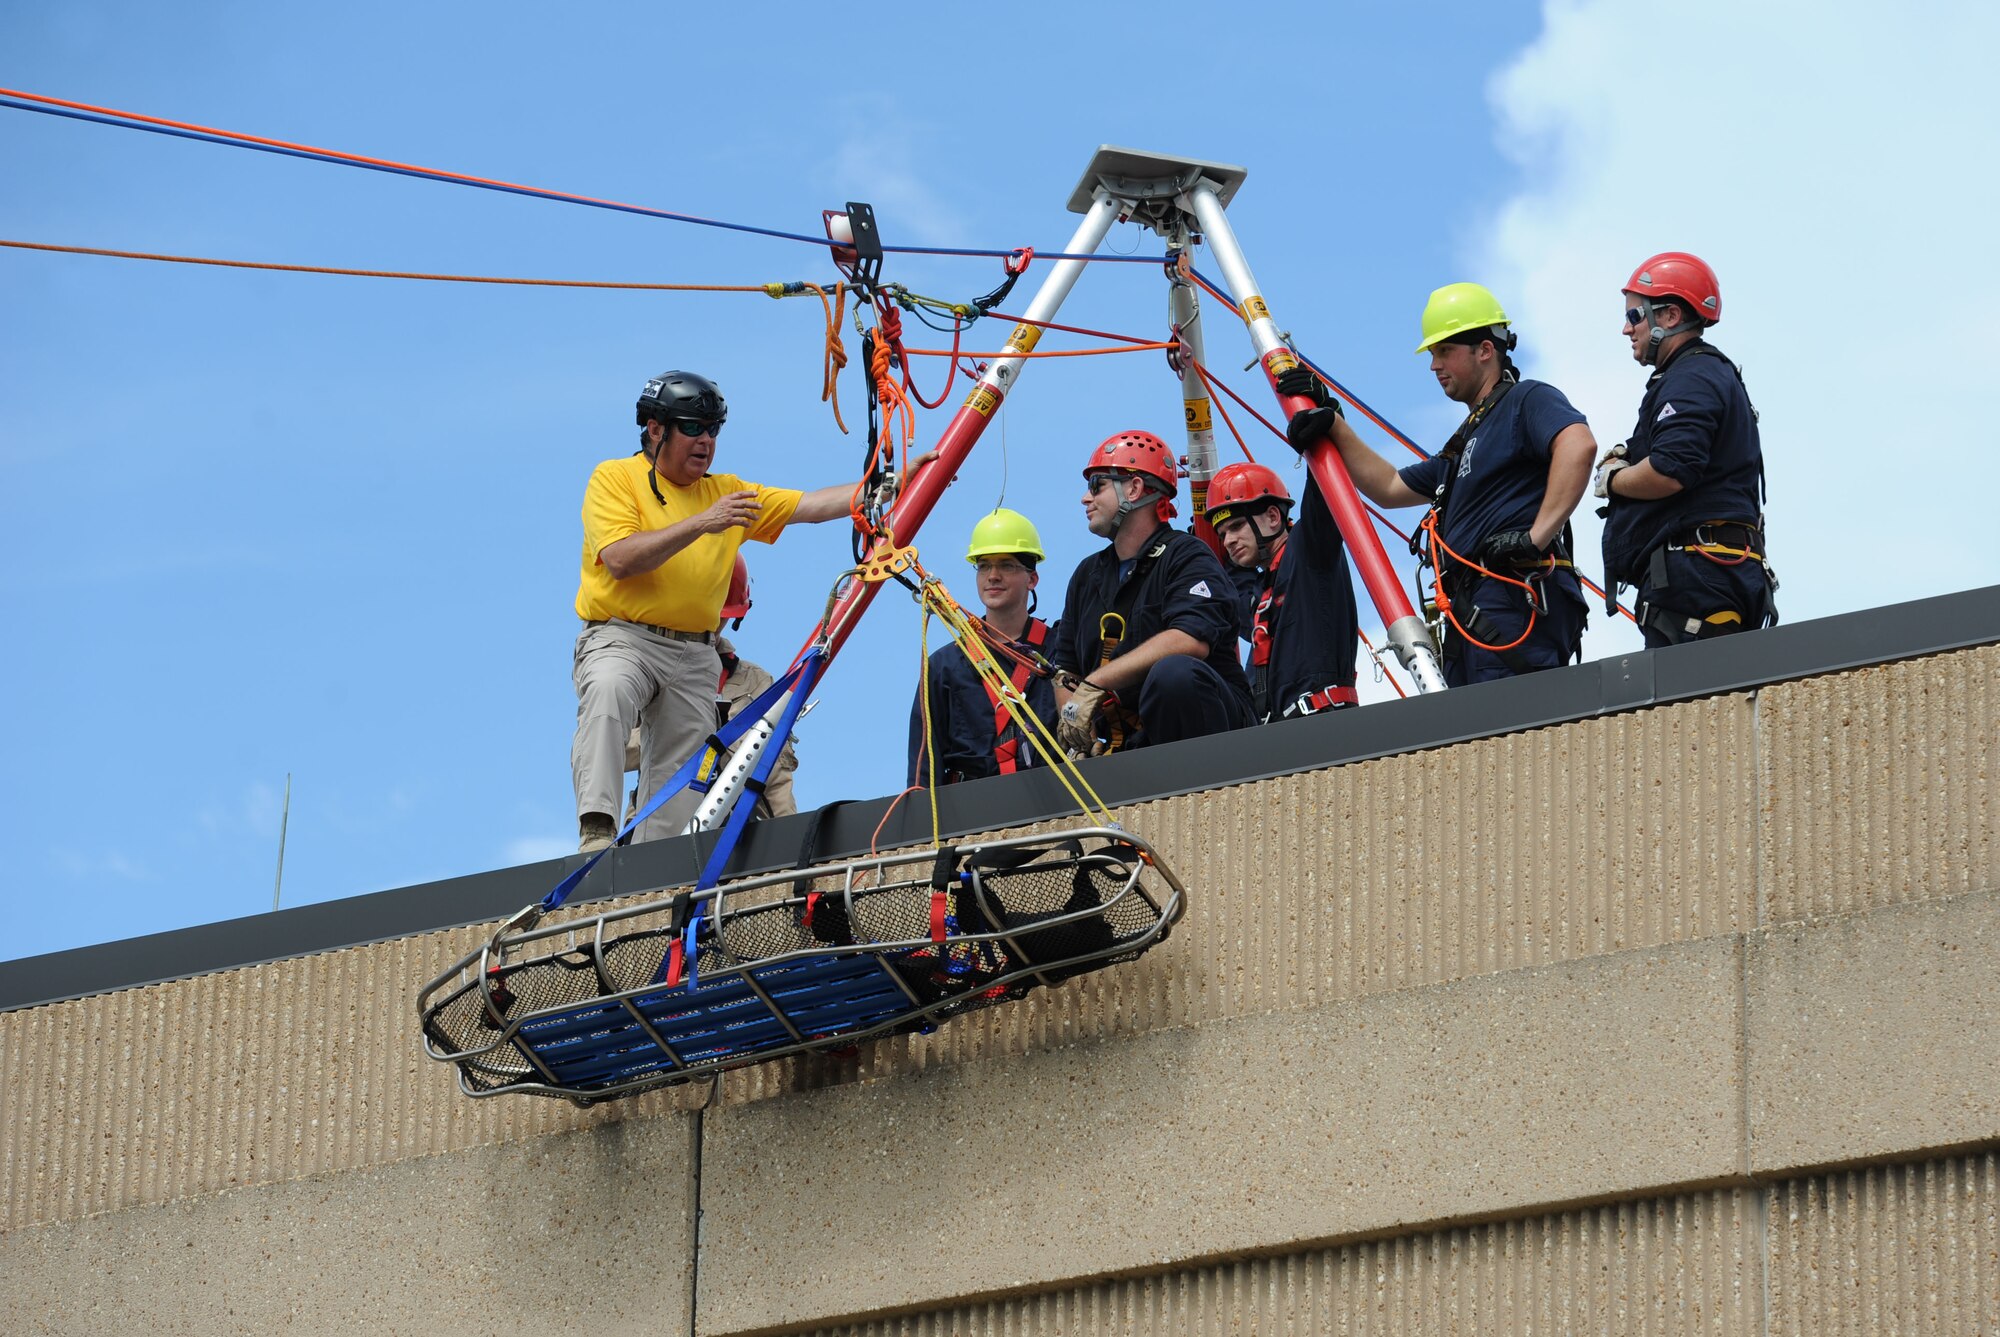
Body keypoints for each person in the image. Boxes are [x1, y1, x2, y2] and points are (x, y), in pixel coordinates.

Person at [572, 369, 856, 852]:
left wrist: (897, 481)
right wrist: (705, 522)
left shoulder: (725, 492)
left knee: (679, 779)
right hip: (625, 637)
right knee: (609, 687)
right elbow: (621, 559)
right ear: (655, 428)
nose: (705, 441)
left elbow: (810, 504)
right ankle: (597, 831)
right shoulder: (615, 478)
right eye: (692, 428)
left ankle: (651, 869)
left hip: (694, 656)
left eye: (713, 430)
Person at [1284, 283, 1596, 687]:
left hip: (1512, 598)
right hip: (1473, 612)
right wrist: (1333, 421)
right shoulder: (1467, 441)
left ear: (1485, 350)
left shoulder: (1526, 400)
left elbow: (1578, 444)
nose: (1434, 365)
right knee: (1471, 738)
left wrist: (1536, 538)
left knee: (1510, 728)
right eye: (1433, 354)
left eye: (1445, 350)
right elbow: (1390, 486)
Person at [1595, 252, 1776, 646]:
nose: (1627, 330)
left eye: (1634, 317)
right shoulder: (1701, 375)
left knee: (1683, 702)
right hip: (1715, 571)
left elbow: (1670, 470)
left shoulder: (1691, 375)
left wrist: (1615, 479)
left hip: (1699, 576)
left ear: (1671, 317)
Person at [1049, 430, 1253, 754]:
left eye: (1096, 486)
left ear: (1134, 487)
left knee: (1174, 674)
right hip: (1130, 747)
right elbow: (1066, 671)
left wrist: (1096, 683)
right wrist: (1075, 723)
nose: (1085, 498)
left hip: (1211, 738)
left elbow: (1189, 639)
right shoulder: (1087, 576)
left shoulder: (1187, 556)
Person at [621, 554, 799, 824]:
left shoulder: (755, 682)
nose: (714, 625)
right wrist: (686, 731)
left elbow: (775, 773)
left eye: (723, 615)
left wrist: (788, 837)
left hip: (734, 833)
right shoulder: (648, 673)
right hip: (659, 826)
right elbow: (618, 755)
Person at [906, 509, 1061, 785]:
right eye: (984, 565)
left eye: (1007, 565)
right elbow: (924, 766)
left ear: (1032, 578)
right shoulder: (945, 666)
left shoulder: (1059, 651)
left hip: (1053, 802)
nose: (993, 576)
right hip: (970, 810)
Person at [1199, 461, 1359, 722]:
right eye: (1222, 534)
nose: (1228, 541)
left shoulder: (1310, 552)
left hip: (1323, 724)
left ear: (1274, 517)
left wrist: (1319, 429)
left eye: (1237, 526)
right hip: (1276, 734)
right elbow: (1232, 589)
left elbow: (1323, 491)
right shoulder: (1261, 593)